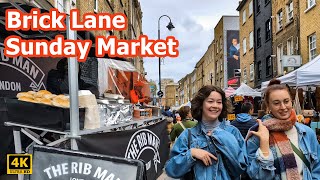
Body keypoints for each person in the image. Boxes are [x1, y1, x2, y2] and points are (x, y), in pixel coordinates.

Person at [165, 85, 248, 179]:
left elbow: (241, 168)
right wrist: (191, 153)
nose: (215, 106)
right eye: (210, 101)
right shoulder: (188, 135)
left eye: (219, 102)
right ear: (201, 104)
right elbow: (171, 170)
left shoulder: (232, 132)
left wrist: (224, 140)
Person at [246, 79, 320, 179]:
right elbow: (258, 177)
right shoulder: (257, 136)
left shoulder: (307, 133)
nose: (283, 107)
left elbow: (317, 168)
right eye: (276, 103)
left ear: (291, 101)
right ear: (268, 106)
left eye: (286, 101)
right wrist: (264, 144)